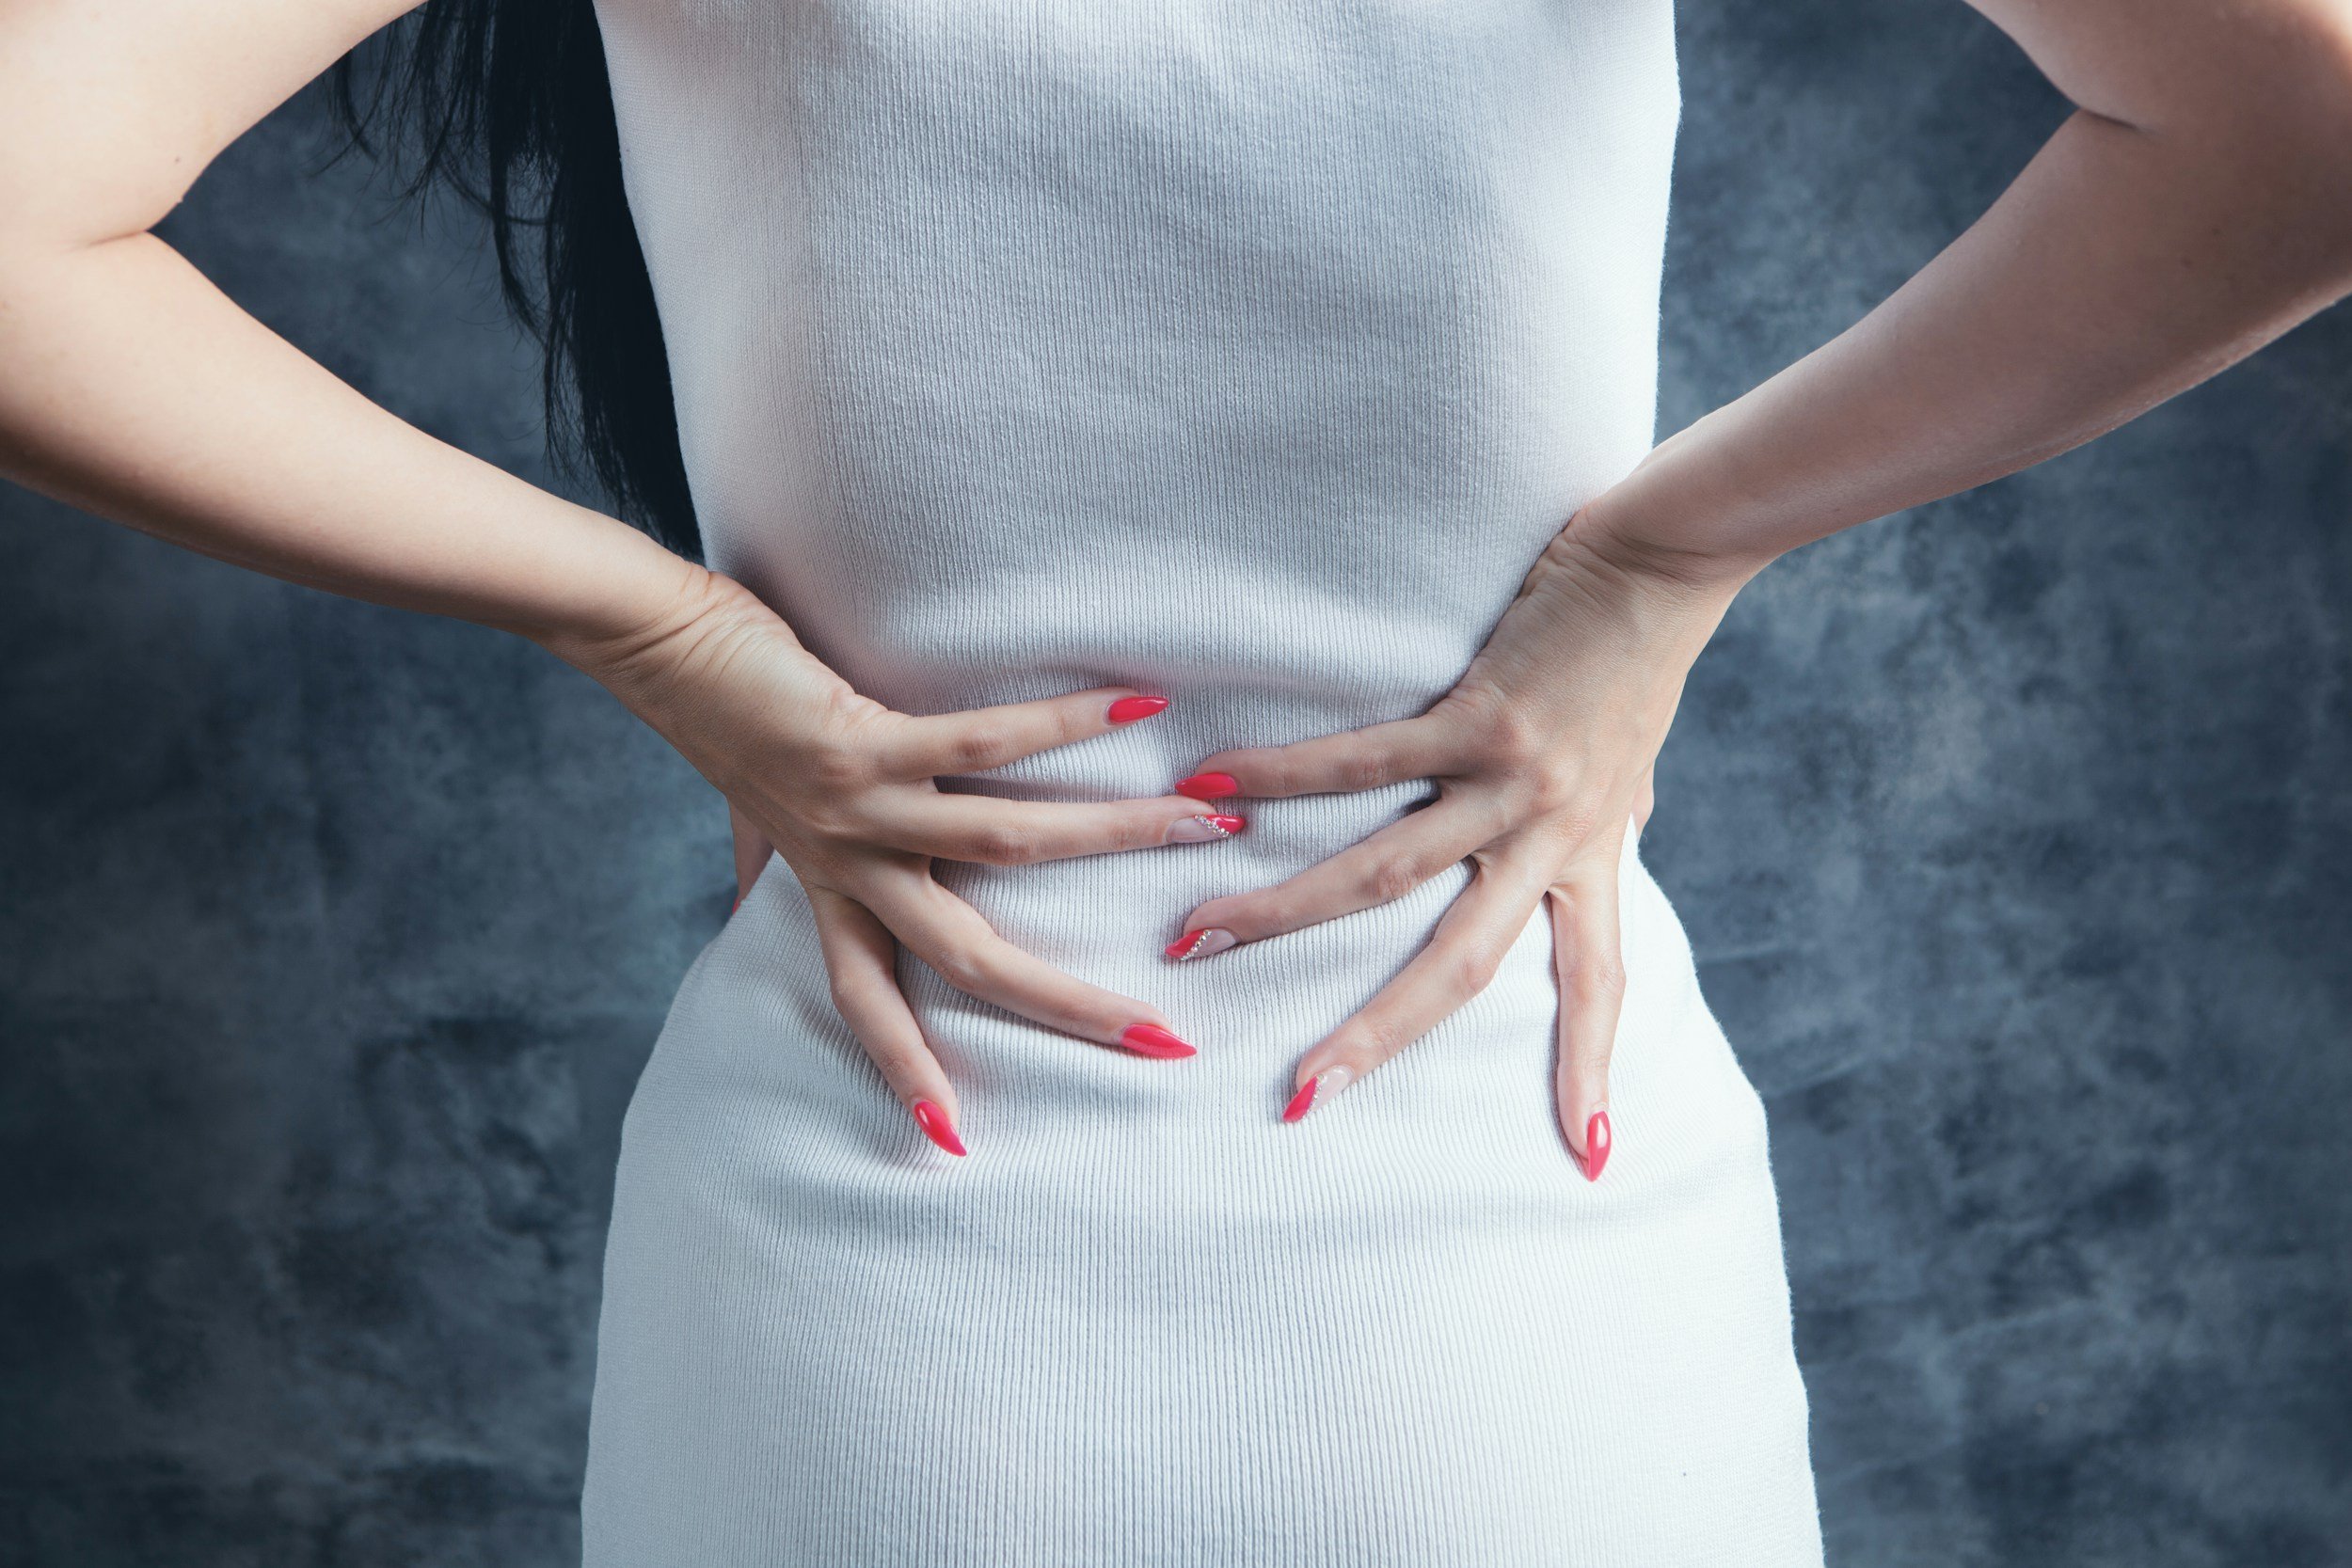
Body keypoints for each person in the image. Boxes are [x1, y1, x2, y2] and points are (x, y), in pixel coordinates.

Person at [4, 0, 2348, 1561]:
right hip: (1528, 1293)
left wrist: (661, 627)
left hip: (872, 1278)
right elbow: (2300, 124)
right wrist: (1666, 553)